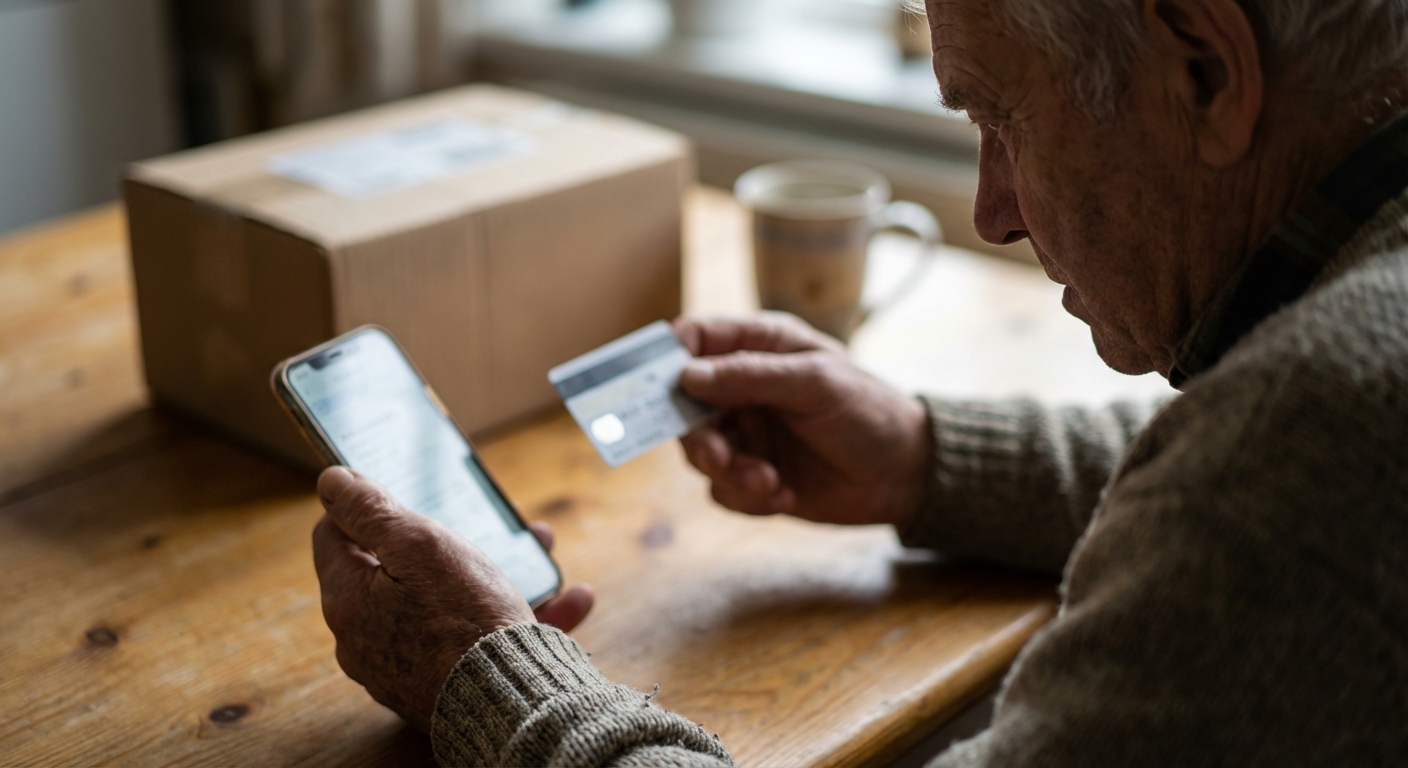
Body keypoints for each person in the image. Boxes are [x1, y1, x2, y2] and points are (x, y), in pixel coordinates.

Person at [310, 0, 1408, 764]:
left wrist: (489, 678)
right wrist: (926, 453)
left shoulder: (1303, 452)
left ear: (1204, 69)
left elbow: (1277, 487)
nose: (992, 211)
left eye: (997, 117)